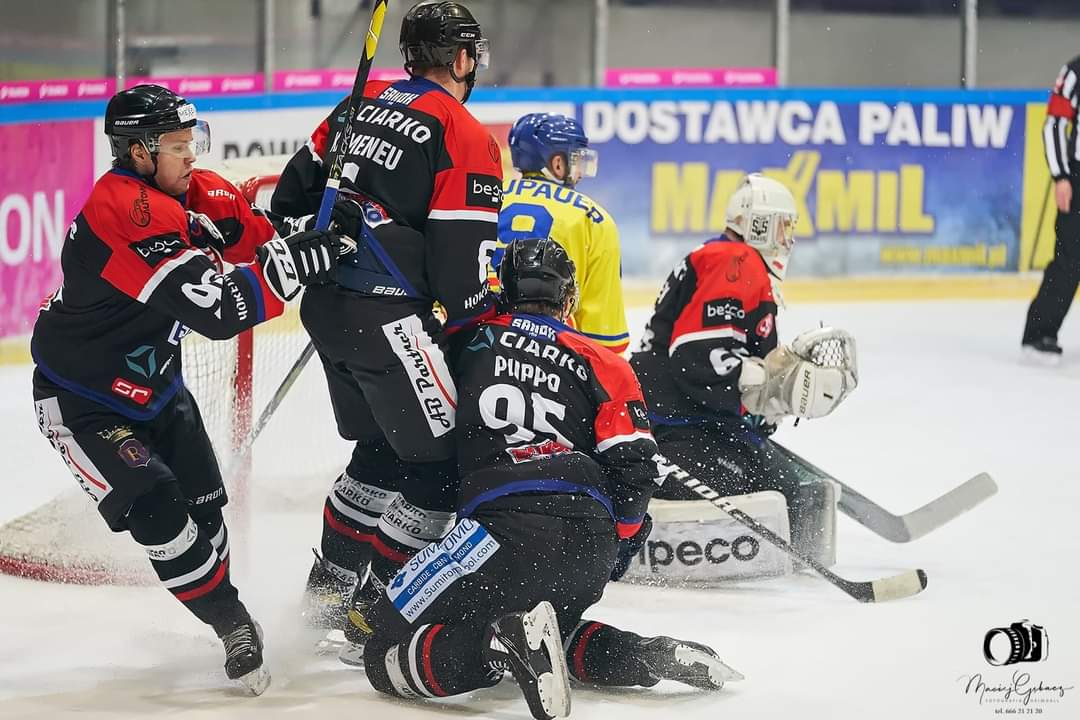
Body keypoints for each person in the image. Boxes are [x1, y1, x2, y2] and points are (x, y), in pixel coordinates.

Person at [30, 84, 342, 695]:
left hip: (158, 389)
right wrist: (306, 261)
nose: (191, 156)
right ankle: (232, 624)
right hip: (84, 402)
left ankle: (219, 604)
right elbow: (219, 312)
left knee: (207, 513)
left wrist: (320, 167)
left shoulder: (201, 192)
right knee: (159, 509)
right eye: (177, 146)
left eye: (191, 141)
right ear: (139, 152)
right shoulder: (123, 209)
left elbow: (266, 237)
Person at [357, 237, 741, 720]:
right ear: (568, 297)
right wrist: (616, 542)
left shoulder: (465, 341)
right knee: (558, 626)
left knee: (381, 648)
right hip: (590, 539)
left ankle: (499, 647)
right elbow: (637, 467)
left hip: (499, 531)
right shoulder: (604, 361)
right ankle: (646, 655)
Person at [269, 0, 503, 657]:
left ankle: (325, 594)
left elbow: (289, 202)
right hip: (388, 318)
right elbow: (463, 279)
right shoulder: (463, 132)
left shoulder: (356, 104)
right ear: (461, 59)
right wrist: (483, 337)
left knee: (378, 454)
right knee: (438, 468)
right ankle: (370, 616)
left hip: (326, 309)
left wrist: (350, 216)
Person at [629, 174, 857, 561]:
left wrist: (764, 399)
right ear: (760, 223)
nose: (788, 238)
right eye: (784, 226)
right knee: (792, 498)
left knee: (801, 492)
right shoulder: (734, 260)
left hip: (687, 423)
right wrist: (763, 384)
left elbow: (712, 356)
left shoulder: (729, 260)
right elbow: (698, 358)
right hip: (675, 430)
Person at [497, 112, 629, 353]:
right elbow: (605, 339)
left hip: (480, 345)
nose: (580, 173)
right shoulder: (594, 218)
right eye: (577, 161)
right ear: (557, 164)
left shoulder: (486, 198)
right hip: (552, 355)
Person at [1022, 55, 1080, 364]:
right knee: (1070, 260)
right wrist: (1061, 175)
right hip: (1078, 179)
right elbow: (1054, 124)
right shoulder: (1075, 72)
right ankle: (1038, 335)